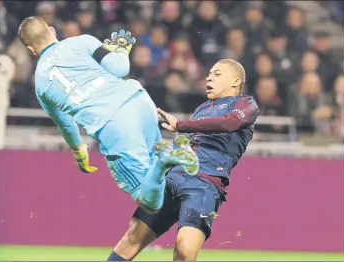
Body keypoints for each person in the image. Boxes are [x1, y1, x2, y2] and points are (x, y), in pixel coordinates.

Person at [17, 16, 198, 214]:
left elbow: (66, 124)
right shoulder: (81, 41)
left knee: (149, 203)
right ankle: (167, 155)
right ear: (52, 31)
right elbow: (121, 68)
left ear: (31, 50)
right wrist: (120, 50)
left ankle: (166, 158)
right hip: (139, 102)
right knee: (152, 172)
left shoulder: (41, 84)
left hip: (113, 126)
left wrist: (79, 153)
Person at [107, 59, 259, 261]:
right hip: (173, 179)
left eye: (217, 74)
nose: (209, 77)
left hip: (204, 184)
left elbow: (229, 124)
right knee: (131, 238)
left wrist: (181, 125)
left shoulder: (246, 104)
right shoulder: (203, 108)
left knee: (185, 250)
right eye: (209, 73)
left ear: (235, 82)